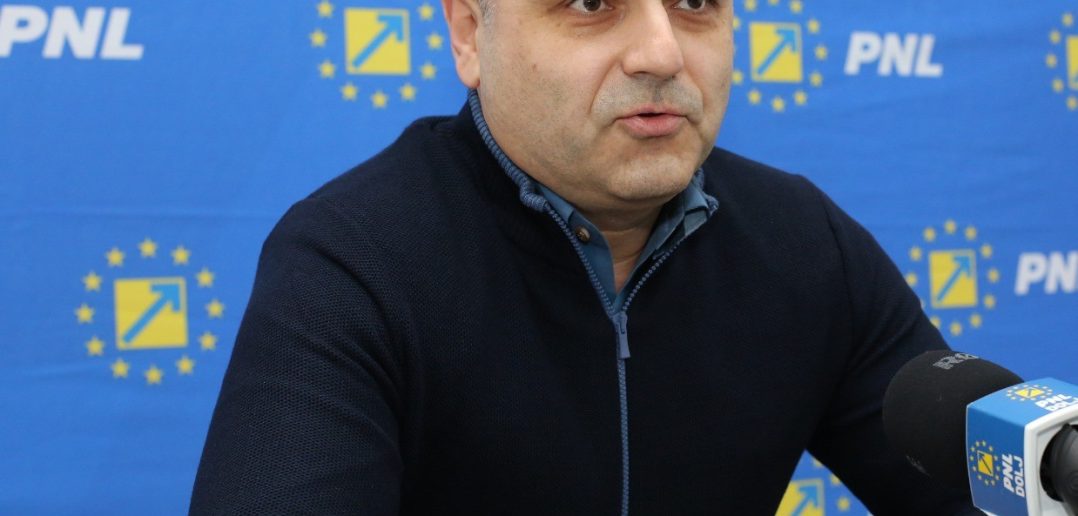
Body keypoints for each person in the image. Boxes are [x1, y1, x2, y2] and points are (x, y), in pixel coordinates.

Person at [190, 0, 979, 513]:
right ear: (468, 31)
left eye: (696, 4)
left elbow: (981, 487)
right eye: (592, 4)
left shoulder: (806, 243)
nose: (662, 52)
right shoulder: (352, 263)